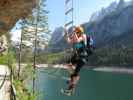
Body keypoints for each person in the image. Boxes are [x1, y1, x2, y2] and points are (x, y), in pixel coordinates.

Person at [62, 26, 91, 96]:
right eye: (76, 32)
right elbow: (68, 41)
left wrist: (74, 33)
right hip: (77, 56)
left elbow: (78, 40)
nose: (75, 33)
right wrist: (66, 32)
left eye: (76, 32)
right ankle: (73, 77)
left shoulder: (83, 36)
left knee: (75, 74)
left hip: (83, 57)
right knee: (68, 64)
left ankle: (70, 90)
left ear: (79, 32)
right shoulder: (76, 36)